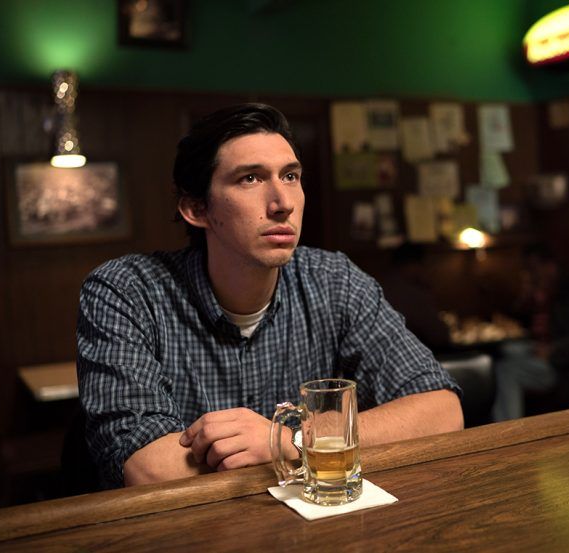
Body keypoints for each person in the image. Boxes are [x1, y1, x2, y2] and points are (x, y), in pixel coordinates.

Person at [77, 104, 463, 488]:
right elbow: (147, 468)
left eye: (290, 176)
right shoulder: (127, 291)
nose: (283, 203)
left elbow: (443, 411)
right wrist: (320, 442)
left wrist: (290, 439)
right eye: (250, 178)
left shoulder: (334, 280)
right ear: (197, 208)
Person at [491, 244, 569, 421]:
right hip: (539, 348)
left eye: (533, 269)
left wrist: (553, 350)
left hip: (565, 364)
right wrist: (525, 298)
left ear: (550, 266)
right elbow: (519, 322)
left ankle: (506, 429)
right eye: (527, 269)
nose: (530, 274)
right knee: (505, 350)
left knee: (505, 369)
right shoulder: (540, 291)